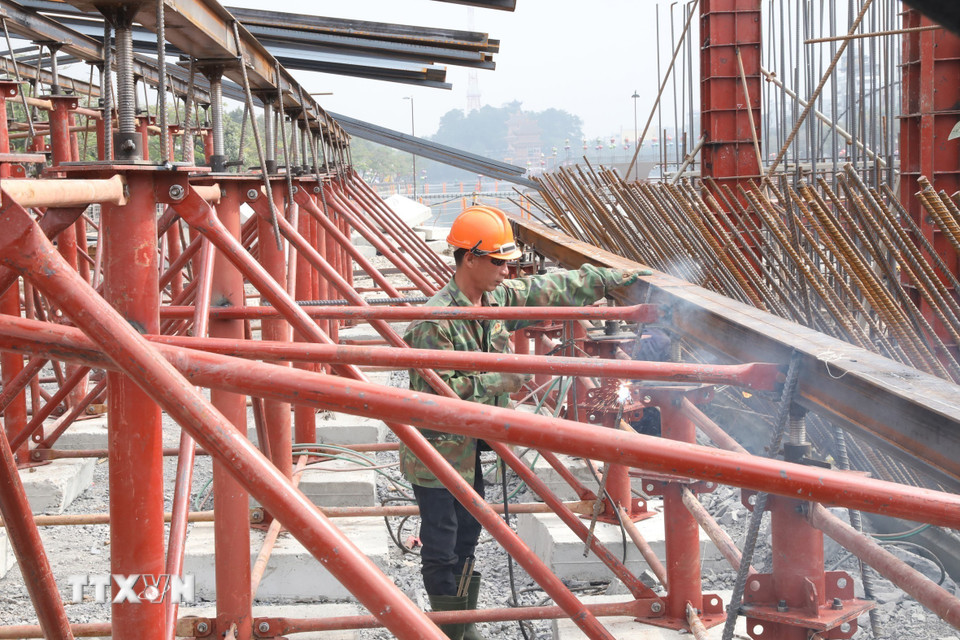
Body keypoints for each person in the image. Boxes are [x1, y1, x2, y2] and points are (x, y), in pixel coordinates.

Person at [399, 205, 649, 640]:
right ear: (469, 258)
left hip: (475, 445)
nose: (506, 270)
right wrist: (504, 377)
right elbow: (435, 395)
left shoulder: (493, 300)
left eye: (508, 262)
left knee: (470, 532)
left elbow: (545, 289)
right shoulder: (433, 322)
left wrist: (605, 280)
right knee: (441, 544)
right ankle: (448, 630)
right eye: (498, 262)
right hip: (438, 452)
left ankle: (462, 620)